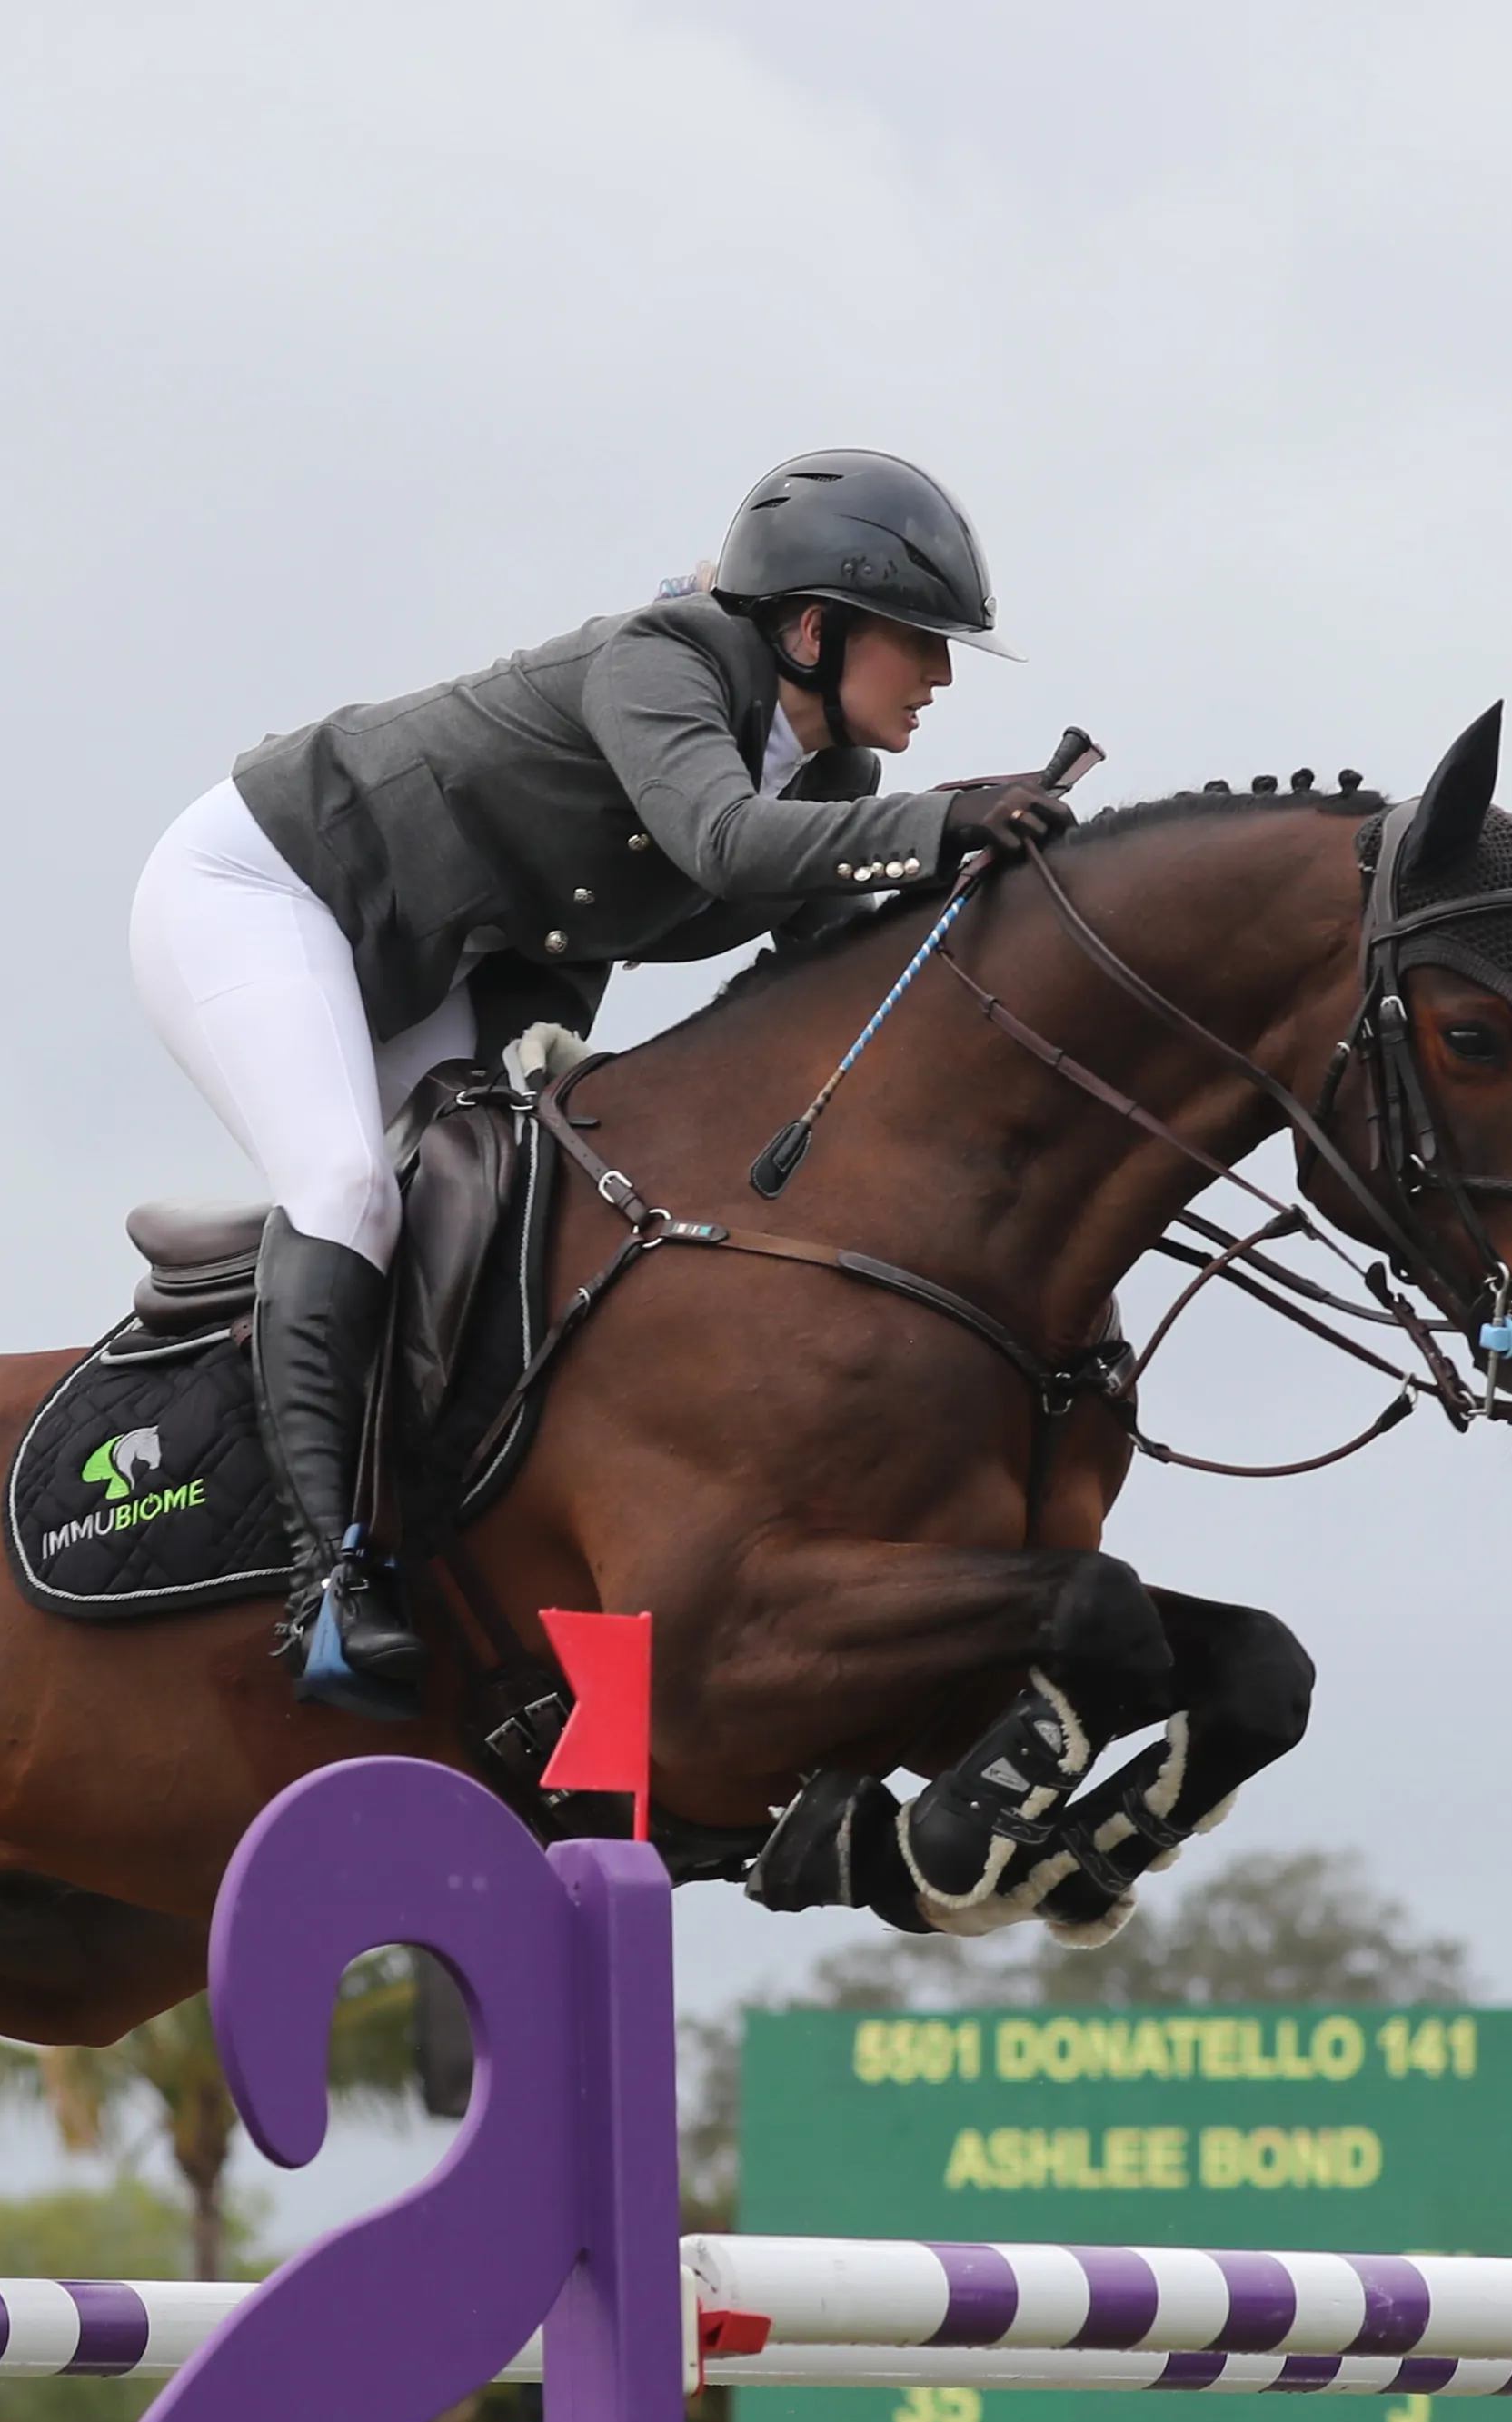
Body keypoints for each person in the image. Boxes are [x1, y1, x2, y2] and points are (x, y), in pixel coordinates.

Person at [128, 448, 1080, 1719]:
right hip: (266, 887)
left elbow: (829, 981)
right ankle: (327, 1579)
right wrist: (939, 822)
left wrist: (982, 895)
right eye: (918, 641)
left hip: (445, 962)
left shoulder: (832, 778)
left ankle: (453, 1526)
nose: (940, 677)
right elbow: (723, 844)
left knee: (510, 1223)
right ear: (811, 630)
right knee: (349, 1189)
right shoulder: (665, 659)